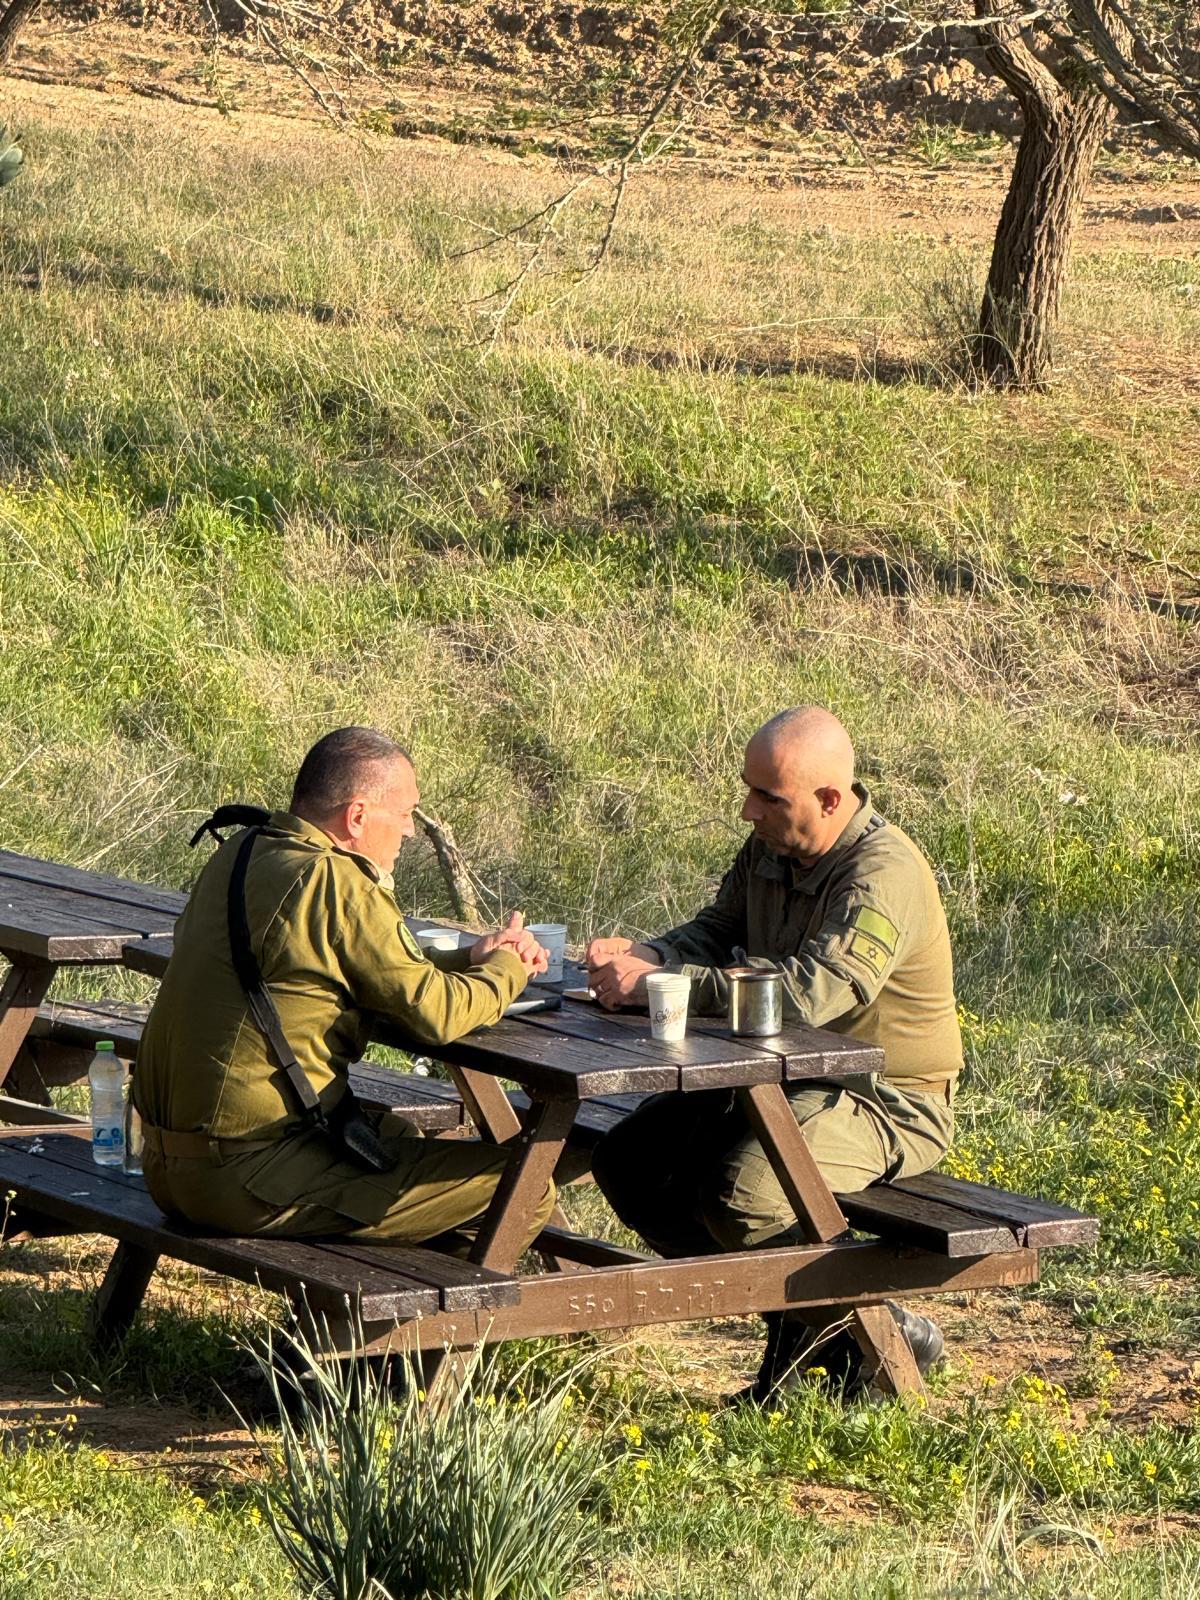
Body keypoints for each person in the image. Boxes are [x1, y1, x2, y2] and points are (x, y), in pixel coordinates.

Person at [585, 706, 962, 1403]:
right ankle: (834, 1324)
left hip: (883, 1099)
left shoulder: (882, 874)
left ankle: (864, 1329)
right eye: (749, 790)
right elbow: (717, 928)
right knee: (631, 1161)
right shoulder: (775, 845)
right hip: (775, 1080)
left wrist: (663, 987)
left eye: (767, 797)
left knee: (746, 1198)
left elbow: (809, 995)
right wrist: (652, 954)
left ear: (828, 799)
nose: (747, 810)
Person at [135, 726, 556, 1251]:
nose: (408, 832)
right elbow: (437, 1015)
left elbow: (334, 954)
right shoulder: (337, 880)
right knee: (526, 1187)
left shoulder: (245, 850)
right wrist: (508, 967)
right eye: (405, 814)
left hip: (166, 1166)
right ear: (357, 816)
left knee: (398, 1135)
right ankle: (433, 1327)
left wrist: (468, 955)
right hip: (244, 1177)